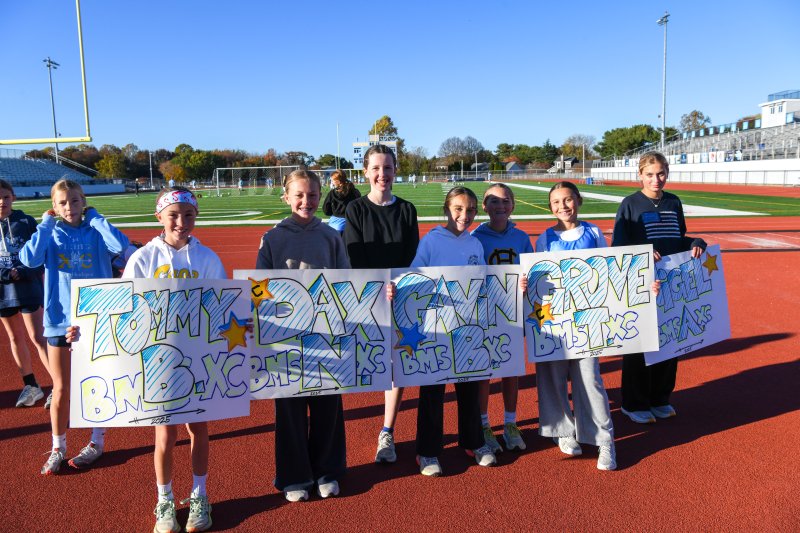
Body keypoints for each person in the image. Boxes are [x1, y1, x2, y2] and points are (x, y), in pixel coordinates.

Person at [123, 186, 220, 533]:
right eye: (173, 215)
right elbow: (120, 307)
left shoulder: (207, 258)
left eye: (189, 215)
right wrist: (84, 333)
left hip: (199, 360)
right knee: (164, 435)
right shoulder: (143, 259)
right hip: (158, 361)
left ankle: (199, 495)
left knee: (199, 429)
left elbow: (223, 305)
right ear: (159, 217)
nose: (181, 222)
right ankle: (164, 500)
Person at [20, 179, 128, 475]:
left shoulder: (96, 231)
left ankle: (96, 442)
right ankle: (58, 446)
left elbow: (121, 247)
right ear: (54, 206)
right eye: (62, 202)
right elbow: (29, 259)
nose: (70, 207)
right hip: (60, 318)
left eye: (75, 201)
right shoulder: (50, 232)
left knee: (98, 383)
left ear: (84, 202)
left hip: (97, 318)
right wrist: (44, 224)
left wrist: (97, 219)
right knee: (62, 387)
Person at [257, 170, 349, 502]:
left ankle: (327, 471)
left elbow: (347, 283)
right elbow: (259, 288)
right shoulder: (272, 238)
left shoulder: (330, 237)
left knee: (328, 406)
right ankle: (294, 476)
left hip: (325, 335)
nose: (305, 201)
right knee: (290, 410)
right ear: (286, 197)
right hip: (285, 338)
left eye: (312, 195)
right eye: (298, 195)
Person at [534, 182, 632, 471]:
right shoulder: (545, 238)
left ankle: (604, 440)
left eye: (567, 199)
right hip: (554, 320)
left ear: (578, 200)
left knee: (590, 380)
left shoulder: (593, 232)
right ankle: (563, 432)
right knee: (553, 377)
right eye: (556, 202)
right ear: (550, 207)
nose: (563, 206)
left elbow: (609, 270)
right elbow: (539, 276)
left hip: (588, 321)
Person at [612, 152, 705, 424]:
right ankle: (634, 402)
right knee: (640, 345)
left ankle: (660, 398)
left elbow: (679, 238)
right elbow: (619, 246)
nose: (656, 179)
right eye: (650, 174)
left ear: (667, 173)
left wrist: (695, 242)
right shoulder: (630, 204)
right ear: (640, 175)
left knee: (670, 340)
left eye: (661, 173)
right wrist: (642, 251)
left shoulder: (674, 202)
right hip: (641, 283)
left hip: (671, 282)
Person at [410, 186, 496, 476]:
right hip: (435, 329)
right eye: (458, 208)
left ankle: (474, 442)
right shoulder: (431, 241)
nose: (465, 215)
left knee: (469, 387)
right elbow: (414, 276)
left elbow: (483, 280)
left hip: (467, 328)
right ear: (446, 208)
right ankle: (427, 451)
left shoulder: (474, 244)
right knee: (432, 391)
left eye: (471, 209)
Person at [343, 144, 419, 464]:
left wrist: (398, 284)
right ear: (365, 172)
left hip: (399, 295)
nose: (382, 174)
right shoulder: (356, 209)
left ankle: (387, 430)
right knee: (364, 362)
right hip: (368, 296)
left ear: (395, 171)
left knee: (395, 365)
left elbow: (411, 255)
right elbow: (354, 255)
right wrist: (376, 285)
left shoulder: (407, 209)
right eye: (376, 168)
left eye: (387, 168)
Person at [471, 183, 532, 453]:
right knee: (484, 371)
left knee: (511, 370)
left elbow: (531, 269)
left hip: (513, 312)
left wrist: (526, 283)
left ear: (513, 205)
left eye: (505, 201)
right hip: (485, 313)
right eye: (493, 201)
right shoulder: (476, 237)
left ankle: (510, 422)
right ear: (484, 206)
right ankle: (484, 424)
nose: (500, 206)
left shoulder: (520, 238)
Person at [0, 179, 50, 408]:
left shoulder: (26, 221)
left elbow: (40, 252)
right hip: (3, 288)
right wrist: (5, 274)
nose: (2, 202)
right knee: (14, 337)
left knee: (38, 337)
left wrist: (24, 270)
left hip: (28, 285)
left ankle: (59, 385)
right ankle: (31, 385)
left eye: (6, 197)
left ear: (13, 198)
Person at [322, 170, 361, 235]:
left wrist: (335, 212)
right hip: (352, 225)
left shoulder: (332, 193)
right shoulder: (355, 192)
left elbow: (326, 210)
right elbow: (360, 208)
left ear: (338, 181)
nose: (332, 182)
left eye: (332, 180)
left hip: (335, 226)